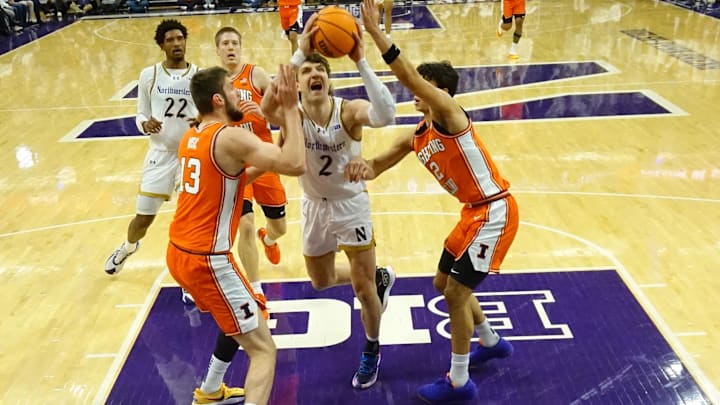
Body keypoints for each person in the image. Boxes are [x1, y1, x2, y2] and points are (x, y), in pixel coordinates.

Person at [356, 0, 520, 402]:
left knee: (454, 296)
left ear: (440, 91)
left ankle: (459, 382)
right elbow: (380, 162)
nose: (414, 92)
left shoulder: (450, 115)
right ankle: (491, 341)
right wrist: (357, 169)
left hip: (494, 212)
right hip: (473, 214)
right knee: (442, 283)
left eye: (423, 87)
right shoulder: (422, 132)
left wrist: (377, 34)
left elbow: (409, 76)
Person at [262, 16, 398, 389]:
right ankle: (379, 276)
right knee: (320, 281)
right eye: (306, 72)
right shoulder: (293, 114)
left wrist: (360, 60)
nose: (313, 74)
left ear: (328, 80)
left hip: (350, 204)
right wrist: (299, 53)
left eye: (319, 70)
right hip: (313, 206)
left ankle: (371, 348)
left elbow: (388, 114)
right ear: (300, 83)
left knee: (361, 287)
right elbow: (264, 108)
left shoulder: (348, 110)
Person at [167, 64, 305, 405]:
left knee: (240, 315)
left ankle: (211, 389)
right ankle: (214, 391)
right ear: (217, 100)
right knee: (263, 349)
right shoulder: (230, 136)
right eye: (232, 90)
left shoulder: (192, 136)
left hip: (178, 254)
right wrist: (289, 107)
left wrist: (272, 156)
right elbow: (297, 163)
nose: (238, 95)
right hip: (207, 260)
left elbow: (235, 179)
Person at [104, 19, 199, 304]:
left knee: (188, 223)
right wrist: (145, 124)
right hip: (159, 155)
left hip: (189, 156)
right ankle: (128, 247)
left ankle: (187, 278)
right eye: (170, 40)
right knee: (143, 218)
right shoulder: (150, 75)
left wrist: (202, 120)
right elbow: (140, 113)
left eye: (180, 38)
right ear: (161, 45)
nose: (176, 43)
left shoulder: (200, 75)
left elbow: (210, 112)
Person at [215, 26, 289, 315]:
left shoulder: (255, 74)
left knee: (280, 227)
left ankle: (268, 238)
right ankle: (256, 289)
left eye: (235, 42)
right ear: (218, 50)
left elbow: (283, 111)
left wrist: (265, 113)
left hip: (264, 158)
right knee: (244, 223)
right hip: (236, 163)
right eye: (225, 44)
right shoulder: (215, 84)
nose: (231, 47)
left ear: (241, 47)